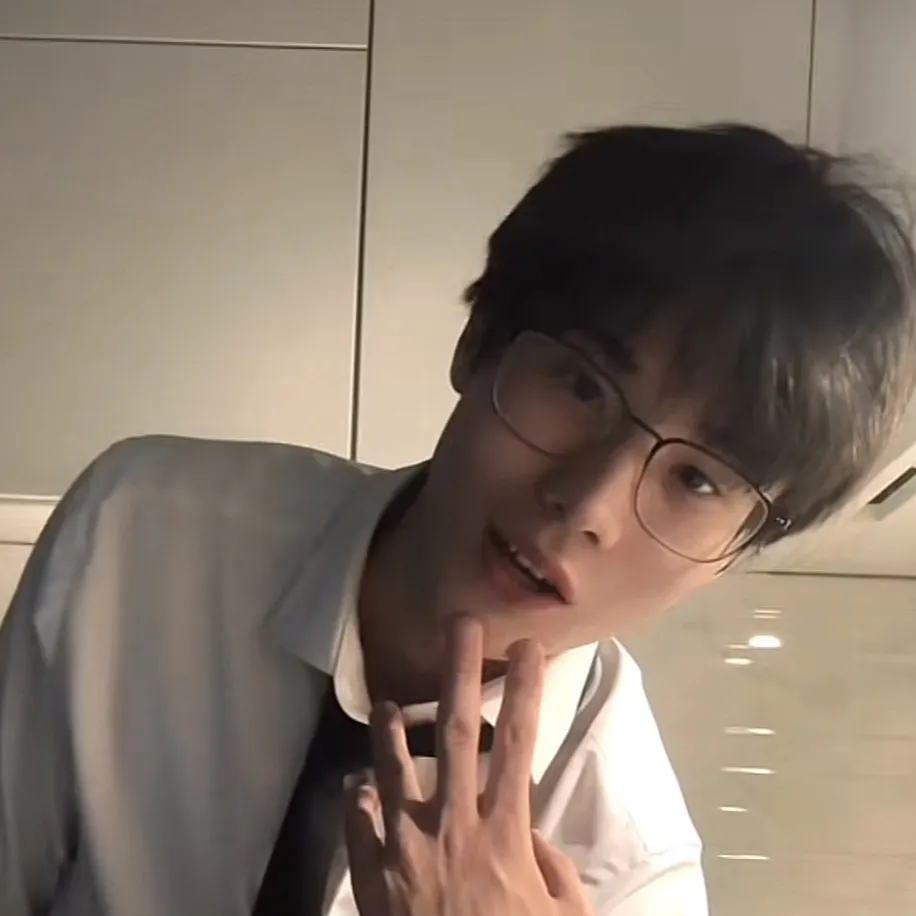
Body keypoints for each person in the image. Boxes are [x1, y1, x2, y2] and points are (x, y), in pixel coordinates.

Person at [1, 123, 914, 916]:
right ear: (479, 343)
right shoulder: (144, 533)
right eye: (581, 386)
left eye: (700, 482)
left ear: (731, 558)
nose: (587, 506)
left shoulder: (631, 875)